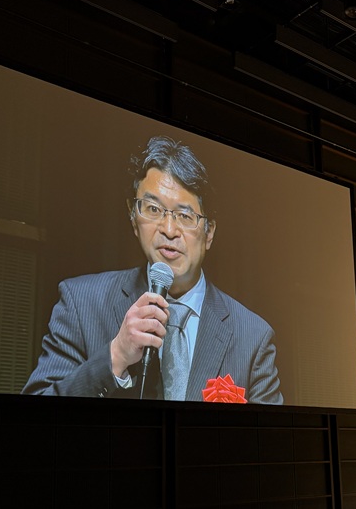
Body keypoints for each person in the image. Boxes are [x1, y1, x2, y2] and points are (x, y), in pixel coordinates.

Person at [23, 136, 283, 404]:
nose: (168, 230)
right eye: (153, 209)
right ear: (134, 219)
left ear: (209, 232)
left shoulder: (252, 337)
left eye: (185, 215)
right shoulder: (81, 303)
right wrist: (116, 355)